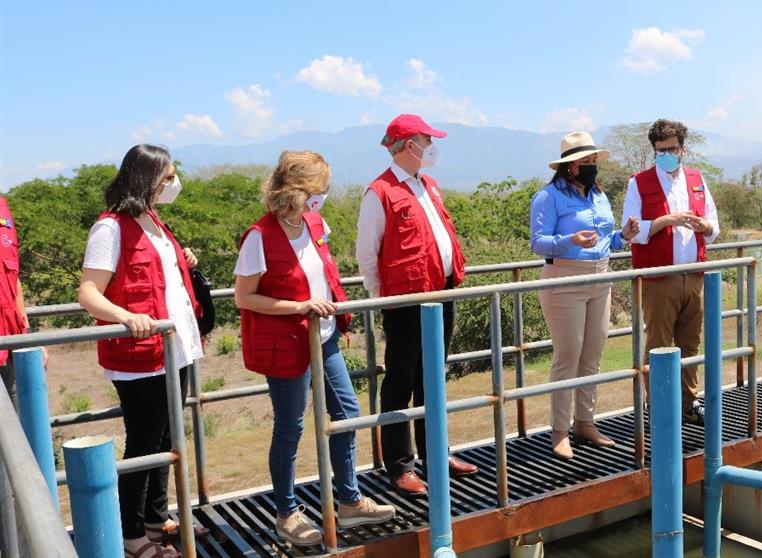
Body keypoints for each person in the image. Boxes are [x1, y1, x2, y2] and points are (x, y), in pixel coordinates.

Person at [234, 151, 395, 546]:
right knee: (290, 426)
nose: (322, 196)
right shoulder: (259, 236)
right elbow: (244, 297)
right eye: (318, 190)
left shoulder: (314, 223)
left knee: (346, 412)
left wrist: (333, 318)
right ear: (296, 190)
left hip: (322, 337)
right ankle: (286, 513)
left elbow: (325, 273)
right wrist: (298, 307)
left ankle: (350, 501)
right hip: (286, 342)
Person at [77, 144, 206, 558]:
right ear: (146, 179)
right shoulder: (110, 228)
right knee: (144, 444)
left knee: (167, 437)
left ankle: (155, 516)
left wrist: (182, 259)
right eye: (167, 177)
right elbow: (89, 292)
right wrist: (125, 315)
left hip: (174, 349)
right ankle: (132, 535)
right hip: (140, 357)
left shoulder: (153, 222)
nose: (173, 184)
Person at [356, 114, 479, 496]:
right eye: (427, 141)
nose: (431, 148)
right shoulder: (380, 192)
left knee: (433, 380)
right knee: (400, 382)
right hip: (406, 301)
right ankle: (400, 465)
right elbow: (367, 255)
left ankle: (436, 454)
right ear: (410, 145)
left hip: (439, 294)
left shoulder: (429, 186)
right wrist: (387, 301)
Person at [530, 132, 639, 459]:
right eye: (585, 162)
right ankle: (560, 430)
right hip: (564, 279)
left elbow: (607, 240)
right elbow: (538, 243)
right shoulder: (547, 197)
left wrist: (623, 235)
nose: (592, 167)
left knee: (592, 354)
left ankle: (585, 422)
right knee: (568, 356)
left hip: (600, 278)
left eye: (594, 162)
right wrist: (571, 239)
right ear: (568, 166)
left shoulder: (598, 196)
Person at [620, 119, 720, 425]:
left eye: (672, 148)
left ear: (683, 149)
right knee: (660, 344)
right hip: (659, 277)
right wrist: (667, 220)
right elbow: (633, 231)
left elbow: (714, 227)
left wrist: (704, 226)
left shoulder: (696, 179)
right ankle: (661, 406)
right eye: (661, 150)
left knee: (690, 342)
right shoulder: (639, 182)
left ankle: (689, 403)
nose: (667, 154)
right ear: (654, 150)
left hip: (695, 274)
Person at [0, 195, 29, 405]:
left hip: (11, 344)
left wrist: (27, 339)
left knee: (16, 428)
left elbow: (12, 275)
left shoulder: (2, 207)